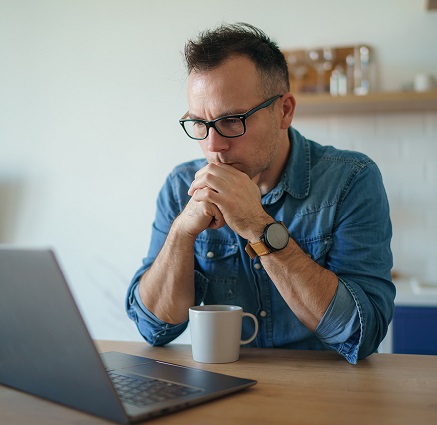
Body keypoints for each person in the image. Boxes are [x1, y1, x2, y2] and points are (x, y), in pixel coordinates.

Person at [126, 22, 395, 364]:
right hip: (220, 392)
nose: (213, 146)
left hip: (324, 398)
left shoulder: (352, 179)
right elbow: (153, 329)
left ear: (284, 111)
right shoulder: (182, 185)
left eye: (232, 120)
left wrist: (258, 225)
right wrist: (181, 233)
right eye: (200, 123)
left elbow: (361, 332)